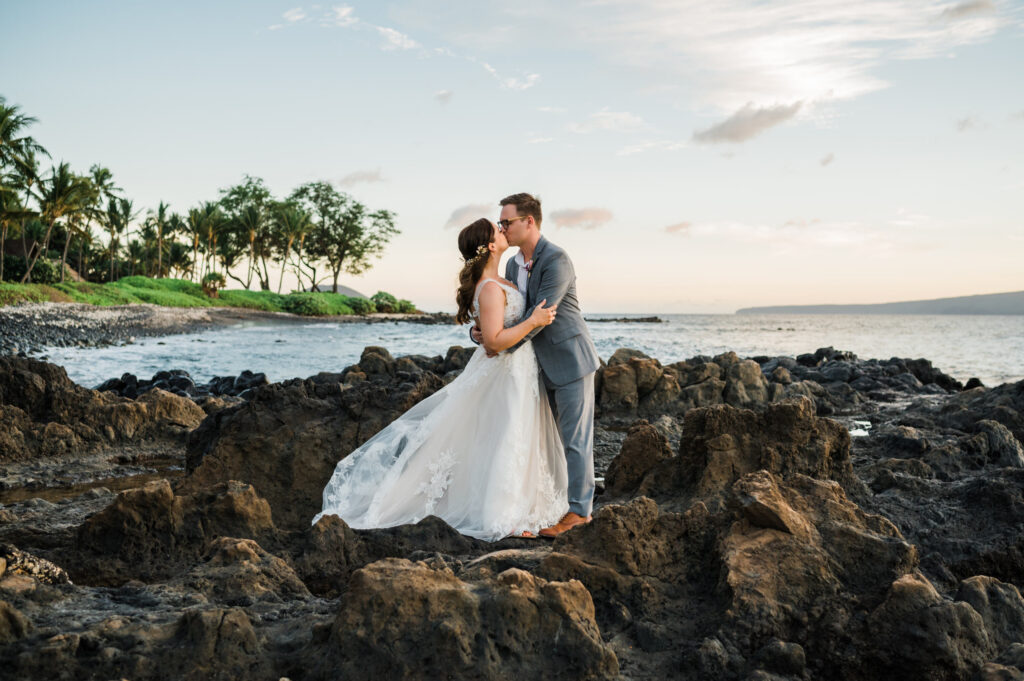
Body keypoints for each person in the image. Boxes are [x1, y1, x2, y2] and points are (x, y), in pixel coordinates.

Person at [313, 218, 568, 541]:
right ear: (490, 245)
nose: (504, 230)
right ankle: (502, 517)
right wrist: (533, 321)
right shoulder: (489, 288)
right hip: (504, 372)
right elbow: (493, 341)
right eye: (498, 229)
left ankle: (521, 507)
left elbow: (488, 332)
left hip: (519, 371)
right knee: (506, 435)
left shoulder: (501, 281)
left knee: (510, 435)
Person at [472, 193, 601, 537]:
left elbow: (539, 316)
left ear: (529, 221)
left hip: (570, 359)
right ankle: (553, 506)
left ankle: (580, 513)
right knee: (547, 441)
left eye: (506, 222)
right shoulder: (513, 265)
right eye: (500, 223)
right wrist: (484, 333)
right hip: (534, 365)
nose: (501, 228)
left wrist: (498, 344)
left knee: (575, 439)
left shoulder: (556, 259)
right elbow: (506, 312)